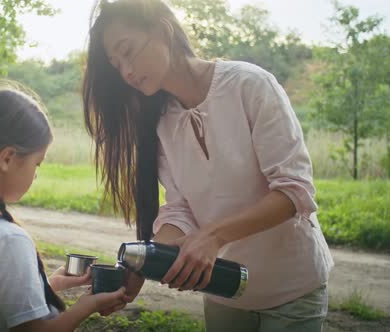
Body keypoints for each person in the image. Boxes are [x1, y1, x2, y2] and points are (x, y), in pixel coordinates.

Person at [82, 0, 334, 330]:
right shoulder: (160, 123)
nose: (126, 71)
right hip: (223, 290)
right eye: (117, 65)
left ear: (163, 30)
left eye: (127, 51)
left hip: (292, 290)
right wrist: (148, 260)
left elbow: (294, 192)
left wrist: (212, 237)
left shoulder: (250, 85)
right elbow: (179, 207)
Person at [0, 86, 126, 331]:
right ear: (7, 158)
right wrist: (87, 305)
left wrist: (49, 285)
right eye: (36, 164)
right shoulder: (7, 240)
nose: (36, 175)